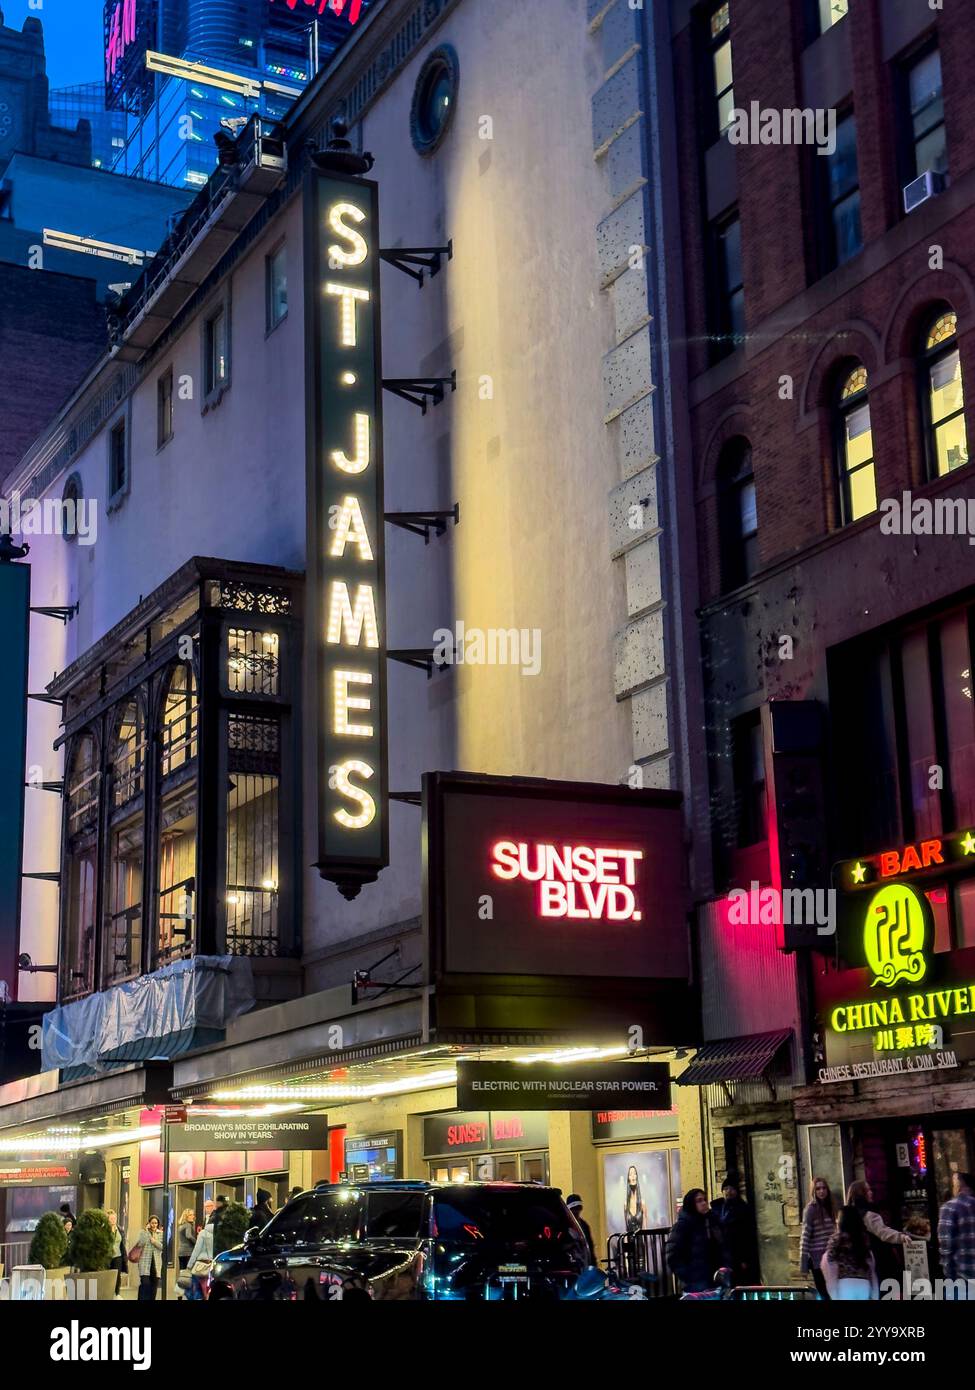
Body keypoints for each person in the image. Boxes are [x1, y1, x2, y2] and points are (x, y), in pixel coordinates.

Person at [847, 1181, 909, 1285]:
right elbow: (883, 1232)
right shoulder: (869, 1215)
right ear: (861, 1194)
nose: (871, 1193)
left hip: (858, 1262)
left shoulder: (848, 1215)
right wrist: (902, 1237)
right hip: (878, 1258)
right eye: (868, 1190)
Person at [666, 1189, 720, 1293]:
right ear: (691, 1204)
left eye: (704, 1200)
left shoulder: (711, 1221)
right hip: (694, 1283)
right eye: (699, 1201)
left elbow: (722, 1246)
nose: (704, 1203)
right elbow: (672, 1254)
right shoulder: (683, 1225)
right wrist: (687, 1275)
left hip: (713, 1280)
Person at [710, 1173, 758, 1286]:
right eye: (726, 1188)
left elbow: (748, 1236)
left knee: (737, 1284)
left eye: (731, 1188)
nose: (728, 1191)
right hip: (720, 1254)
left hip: (736, 1254)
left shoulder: (743, 1210)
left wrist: (745, 1259)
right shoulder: (716, 1208)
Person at [822, 1205, 878, 1300]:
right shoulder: (862, 1240)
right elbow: (871, 1268)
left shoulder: (836, 1241)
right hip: (864, 1285)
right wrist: (875, 1294)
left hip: (844, 1285)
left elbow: (830, 1265)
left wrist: (834, 1294)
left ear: (840, 1221)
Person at [800, 1177, 837, 1300]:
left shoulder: (831, 1207)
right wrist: (803, 1265)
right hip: (818, 1261)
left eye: (824, 1188)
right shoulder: (810, 1209)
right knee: (824, 1294)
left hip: (832, 1258)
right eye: (818, 1189)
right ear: (813, 1192)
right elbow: (805, 1238)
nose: (821, 1191)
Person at [938, 1170, 975, 1284]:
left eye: (953, 1182)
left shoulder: (949, 1207)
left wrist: (948, 1274)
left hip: (962, 1277)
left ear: (959, 1184)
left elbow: (946, 1244)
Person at [185, 1212, 217, 1302]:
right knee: (208, 1290)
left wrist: (189, 1265)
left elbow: (196, 1250)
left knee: (197, 1290)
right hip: (213, 1265)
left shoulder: (203, 1233)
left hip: (201, 1265)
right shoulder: (219, 1234)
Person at [132, 1215, 164, 1301]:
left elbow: (163, 1247)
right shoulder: (143, 1232)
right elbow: (140, 1243)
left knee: (154, 1286)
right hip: (144, 1262)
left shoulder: (160, 1233)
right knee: (145, 1284)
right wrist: (146, 1231)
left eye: (156, 1223)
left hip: (156, 1263)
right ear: (149, 1223)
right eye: (152, 1223)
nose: (154, 1225)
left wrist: (155, 1242)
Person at [565, 1194, 597, 1266]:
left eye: (578, 1208)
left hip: (583, 1261)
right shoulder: (564, 1225)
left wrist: (593, 1264)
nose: (576, 1211)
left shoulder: (584, 1226)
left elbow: (590, 1246)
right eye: (573, 1209)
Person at [105, 1209, 126, 1299]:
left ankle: (117, 1293)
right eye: (111, 1218)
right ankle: (108, 1293)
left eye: (115, 1218)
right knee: (108, 1275)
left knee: (117, 1275)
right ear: (108, 1219)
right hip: (108, 1256)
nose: (113, 1220)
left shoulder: (120, 1229)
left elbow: (122, 1244)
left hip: (118, 1256)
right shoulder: (105, 1230)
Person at [623, 1165, 646, 1234]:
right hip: (629, 1242)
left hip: (640, 1242)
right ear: (628, 1179)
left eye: (634, 1173)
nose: (633, 1176)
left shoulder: (642, 1202)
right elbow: (626, 1227)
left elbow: (645, 1228)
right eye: (630, 1174)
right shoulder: (625, 1204)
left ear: (637, 1177)